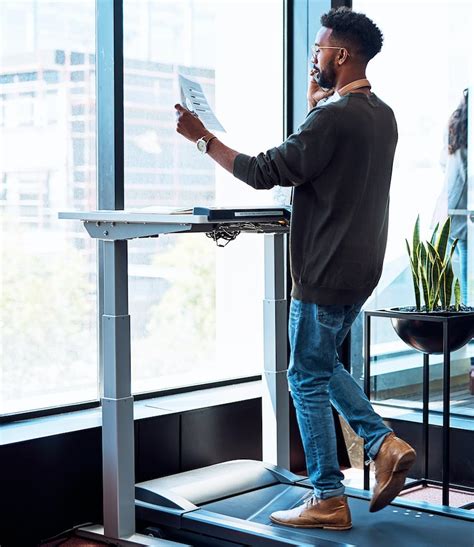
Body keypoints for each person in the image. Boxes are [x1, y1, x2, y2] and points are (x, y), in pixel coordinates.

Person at [174, 6, 416, 531]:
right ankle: (384, 445)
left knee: (304, 376)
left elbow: (265, 171)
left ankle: (329, 496)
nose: (313, 57)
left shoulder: (333, 118)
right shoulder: (381, 114)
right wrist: (316, 105)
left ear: (341, 54)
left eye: (317, 49)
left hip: (324, 271)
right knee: (321, 364)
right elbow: (323, 171)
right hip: (360, 269)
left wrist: (200, 138)